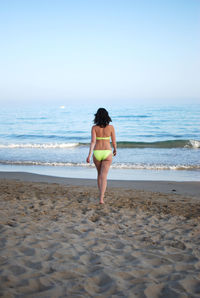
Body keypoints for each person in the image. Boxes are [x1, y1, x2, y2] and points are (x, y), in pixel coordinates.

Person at [86, 108, 117, 204]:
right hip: (107, 152)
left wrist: (89, 155)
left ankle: (100, 196)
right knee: (104, 176)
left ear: (97, 116)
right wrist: (115, 149)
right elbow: (114, 141)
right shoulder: (111, 127)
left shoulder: (94, 128)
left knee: (99, 175)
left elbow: (93, 142)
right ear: (107, 116)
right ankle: (101, 199)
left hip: (97, 152)